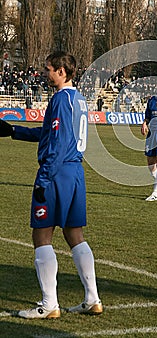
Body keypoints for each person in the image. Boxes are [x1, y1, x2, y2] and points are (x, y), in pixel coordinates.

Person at [0, 51, 102, 319]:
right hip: (75, 172)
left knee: (41, 236)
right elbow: (51, 134)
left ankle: (49, 304)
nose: (45, 74)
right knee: (74, 234)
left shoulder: (59, 100)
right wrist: (13, 131)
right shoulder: (78, 99)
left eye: (48, 70)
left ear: (61, 71)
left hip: (56, 173)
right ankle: (93, 299)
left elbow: (55, 144)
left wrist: (44, 179)